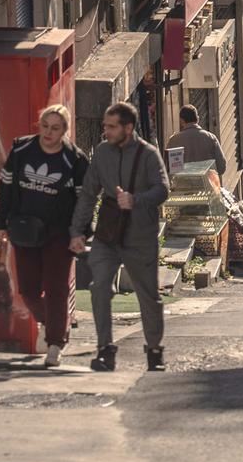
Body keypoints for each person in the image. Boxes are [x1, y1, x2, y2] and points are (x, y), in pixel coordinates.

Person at [72, 101, 171, 373]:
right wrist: (78, 231)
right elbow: (89, 193)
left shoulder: (149, 154)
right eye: (105, 126)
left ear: (128, 128)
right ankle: (105, 350)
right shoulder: (102, 153)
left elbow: (163, 190)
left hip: (141, 235)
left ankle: (154, 351)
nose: (106, 131)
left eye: (111, 126)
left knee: (148, 296)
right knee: (99, 287)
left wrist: (135, 200)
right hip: (108, 232)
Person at [0, 104, 89, 367]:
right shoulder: (22, 149)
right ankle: (52, 324)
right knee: (28, 290)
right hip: (25, 229)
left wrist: (80, 233)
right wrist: (2, 221)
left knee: (56, 288)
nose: (48, 132)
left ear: (65, 131)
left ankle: (55, 344)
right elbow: (5, 187)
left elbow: (86, 200)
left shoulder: (75, 160)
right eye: (45, 126)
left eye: (55, 128)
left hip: (60, 233)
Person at [167, 104, 226, 183]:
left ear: (182, 120)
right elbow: (221, 167)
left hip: (182, 189)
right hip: (207, 189)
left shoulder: (173, 140)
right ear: (197, 119)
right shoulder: (211, 138)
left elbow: (169, 170)